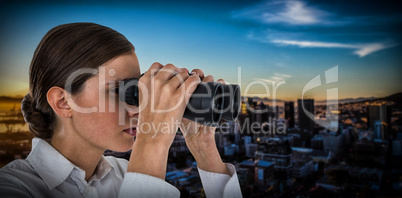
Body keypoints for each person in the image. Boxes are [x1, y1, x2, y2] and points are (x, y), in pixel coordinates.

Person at [0, 23, 242, 198]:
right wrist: (153, 137)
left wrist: (203, 148)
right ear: (63, 102)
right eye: (121, 91)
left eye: (137, 90)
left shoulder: (127, 174)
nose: (138, 109)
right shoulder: (12, 188)